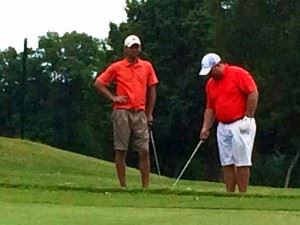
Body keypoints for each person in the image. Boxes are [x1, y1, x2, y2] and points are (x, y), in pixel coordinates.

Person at [94, 34, 158, 188]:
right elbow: (99, 83)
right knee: (121, 149)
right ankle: (123, 186)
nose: (135, 51)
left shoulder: (146, 66)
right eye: (132, 48)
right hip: (122, 111)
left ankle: (145, 187)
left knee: (144, 150)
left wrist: (149, 113)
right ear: (125, 49)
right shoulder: (117, 67)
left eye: (137, 47)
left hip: (140, 112)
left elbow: (152, 89)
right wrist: (113, 98)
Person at [199, 53, 258, 193]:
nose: (210, 75)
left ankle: (242, 195)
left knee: (242, 161)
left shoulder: (238, 73)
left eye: (211, 71)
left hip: (241, 123)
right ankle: (230, 195)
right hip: (223, 125)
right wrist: (205, 127)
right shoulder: (211, 84)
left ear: (218, 65)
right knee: (227, 162)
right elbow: (210, 107)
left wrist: (248, 117)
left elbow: (253, 93)